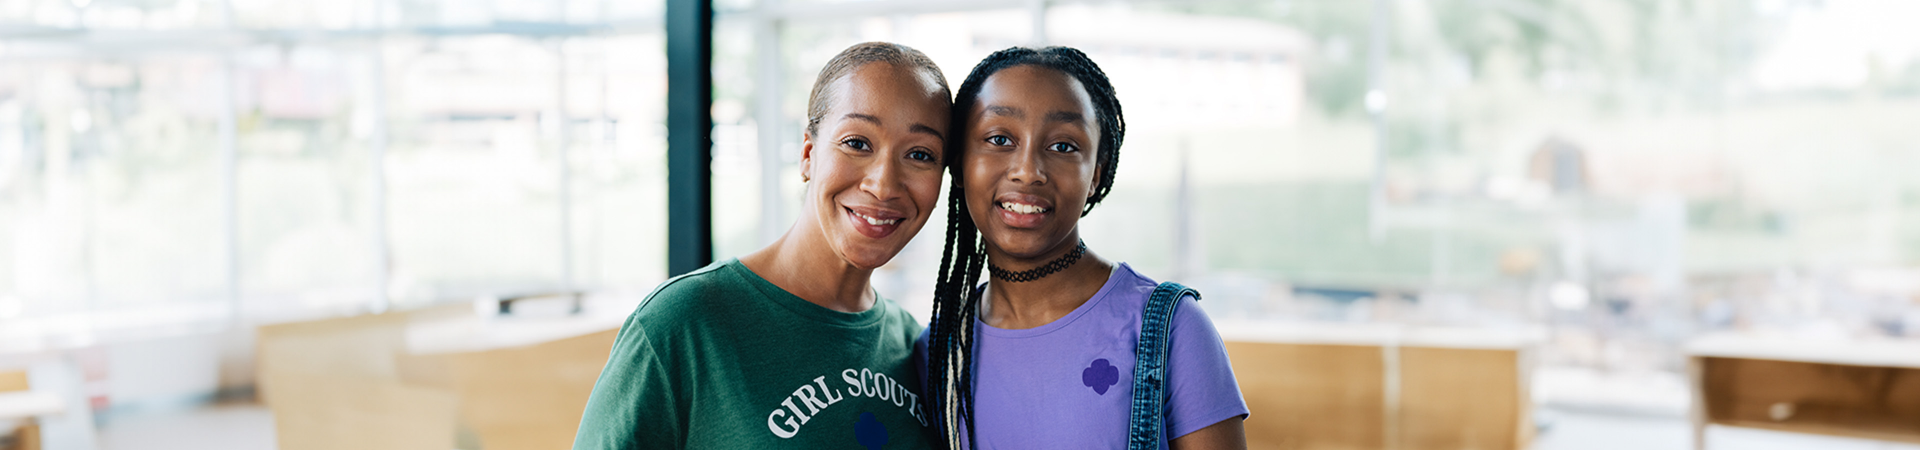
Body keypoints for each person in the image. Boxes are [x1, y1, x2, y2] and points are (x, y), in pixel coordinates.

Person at [573, 42, 950, 449]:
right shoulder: (684, 323)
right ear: (808, 154)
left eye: (919, 154)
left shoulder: (910, 344)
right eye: (857, 143)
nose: (883, 183)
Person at [918, 46, 1249, 449]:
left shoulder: (1171, 329)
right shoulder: (938, 351)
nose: (1027, 171)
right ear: (959, 161)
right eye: (999, 138)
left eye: (1063, 146)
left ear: (1097, 172)